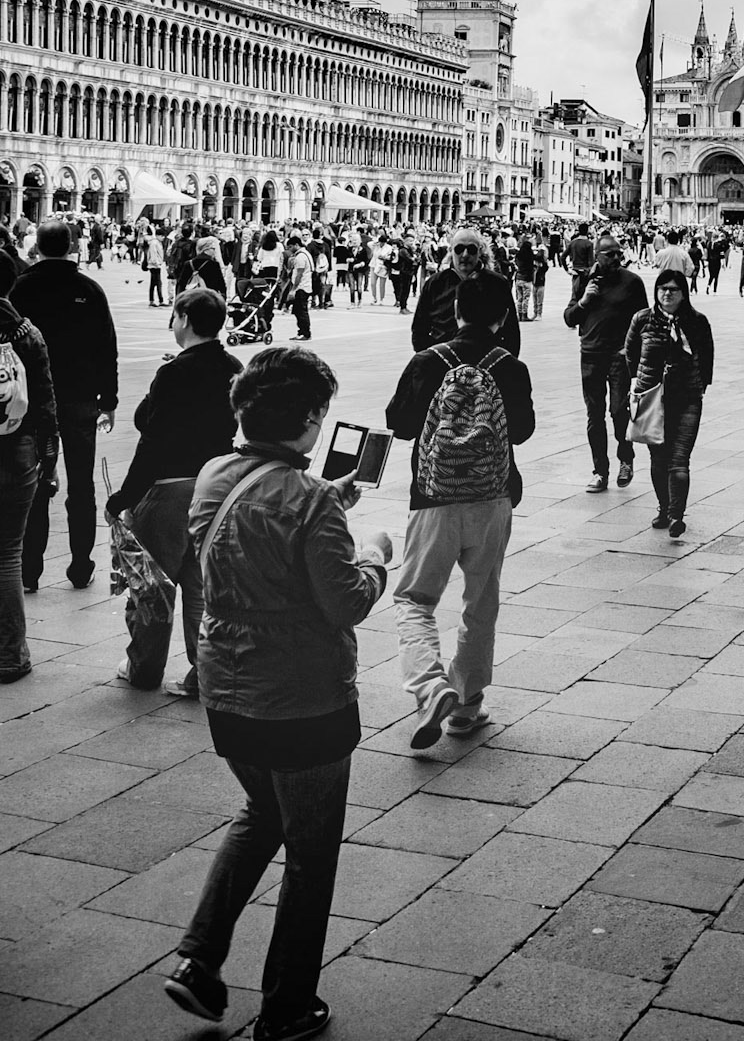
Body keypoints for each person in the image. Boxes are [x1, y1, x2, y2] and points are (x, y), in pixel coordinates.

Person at [164, 347, 391, 1041]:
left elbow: (261, 522)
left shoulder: (214, 475)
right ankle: (288, 1006)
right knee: (311, 852)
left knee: (262, 811)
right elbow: (344, 601)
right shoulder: (309, 499)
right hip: (302, 702)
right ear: (314, 419)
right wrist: (375, 554)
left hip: (227, 693)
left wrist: (331, 505)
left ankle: (199, 960)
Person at [386, 270, 535, 747]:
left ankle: (431, 689)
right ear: (503, 315)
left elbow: (400, 425)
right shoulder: (510, 365)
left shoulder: (428, 361)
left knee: (414, 599)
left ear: (455, 311)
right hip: (493, 498)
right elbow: (523, 431)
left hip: (433, 499)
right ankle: (467, 705)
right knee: (480, 600)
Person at [106, 285, 241, 697]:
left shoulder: (173, 373)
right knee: (201, 586)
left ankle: (144, 667)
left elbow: (152, 435)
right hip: (214, 487)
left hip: (168, 488)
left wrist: (123, 498)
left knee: (152, 584)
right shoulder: (234, 366)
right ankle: (204, 673)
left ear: (184, 319)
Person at [16, 219, 118, 591]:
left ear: (38, 247)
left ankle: (30, 570)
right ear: (72, 246)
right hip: (79, 401)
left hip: (34, 402)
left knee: (37, 481)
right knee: (81, 483)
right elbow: (107, 347)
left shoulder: (22, 288)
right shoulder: (88, 289)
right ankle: (80, 565)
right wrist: (109, 400)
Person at [0, 250, 57, 682]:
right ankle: (11, 656)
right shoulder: (26, 332)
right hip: (18, 449)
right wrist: (50, 459)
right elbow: (44, 402)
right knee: (8, 555)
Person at [626, 271, 713, 539]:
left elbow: (708, 357)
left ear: (684, 293)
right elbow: (630, 353)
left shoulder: (697, 321)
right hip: (653, 399)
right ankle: (663, 509)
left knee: (679, 460)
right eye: (662, 289)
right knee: (658, 459)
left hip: (687, 398)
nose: (667, 294)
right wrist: (638, 384)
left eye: (674, 289)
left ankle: (677, 515)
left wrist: (699, 386)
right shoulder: (642, 319)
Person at [564, 233, 647, 492]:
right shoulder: (583, 281)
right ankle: (600, 471)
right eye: (609, 254)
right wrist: (584, 301)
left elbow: (644, 319)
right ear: (597, 256)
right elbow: (569, 318)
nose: (616, 258)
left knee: (619, 410)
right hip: (590, 354)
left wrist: (635, 352)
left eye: (618, 253)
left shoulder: (632, 282)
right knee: (594, 415)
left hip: (619, 355)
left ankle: (626, 457)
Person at [411, 229, 520, 357]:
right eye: (459, 249)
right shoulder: (435, 283)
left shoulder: (497, 283)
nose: (465, 254)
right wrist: (432, 359)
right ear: (451, 250)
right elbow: (419, 330)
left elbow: (511, 332)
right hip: (442, 363)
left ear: (480, 251)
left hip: (485, 364)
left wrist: (501, 364)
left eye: (471, 249)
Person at [513, 233, 536, 321]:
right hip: (526, 279)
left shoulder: (519, 256)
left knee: (519, 298)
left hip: (518, 277)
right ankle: (524, 315)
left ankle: (519, 315)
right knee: (525, 298)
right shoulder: (529, 256)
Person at [146, 229, 167, 309]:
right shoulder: (154, 243)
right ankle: (159, 300)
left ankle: (153, 300)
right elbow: (153, 253)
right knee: (157, 283)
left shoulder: (156, 242)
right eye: (162, 236)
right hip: (154, 265)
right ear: (157, 235)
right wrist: (156, 263)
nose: (163, 238)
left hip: (155, 265)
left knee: (154, 283)